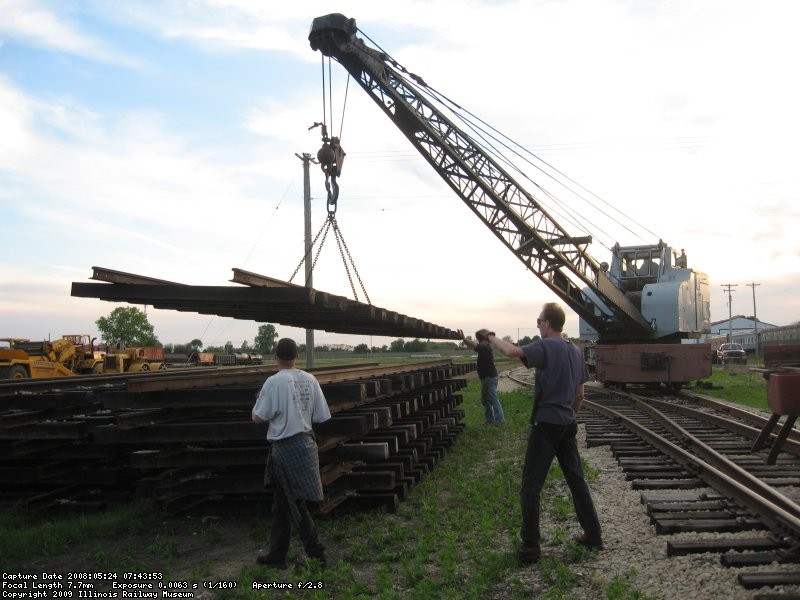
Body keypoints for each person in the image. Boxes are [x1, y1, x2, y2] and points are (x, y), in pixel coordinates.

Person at [480, 302, 602, 564]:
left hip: (546, 425)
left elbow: (512, 351)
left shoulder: (547, 345)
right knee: (577, 481)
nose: (537, 324)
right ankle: (593, 535)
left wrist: (490, 337)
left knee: (531, 487)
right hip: (568, 424)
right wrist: (570, 416)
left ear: (547, 323)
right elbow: (580, 395)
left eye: (539, 320)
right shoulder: (575, 351)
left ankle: (530, 547)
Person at [252, 338, 332, 569]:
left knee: (295, 505)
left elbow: (258, 417)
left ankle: (318, 557)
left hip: (285, 449)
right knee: (282, 504)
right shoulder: (310, 379)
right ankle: (277, 556)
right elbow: (321, 416)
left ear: (276, 357)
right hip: (307, 445)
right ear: (297, 356)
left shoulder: (273, 382)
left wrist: (258, 401)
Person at [459, 329, 505, 425]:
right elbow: (473, 347)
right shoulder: (484, 348)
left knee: (492, 398)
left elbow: (475, 345)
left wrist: (464, 339)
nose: (478, 341)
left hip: (489, 378)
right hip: (486, 378)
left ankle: (500, 420)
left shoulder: (485, 348)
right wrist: (465, 341)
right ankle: (490, 420)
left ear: (485, 340)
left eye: (479, 340)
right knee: (486, 400)